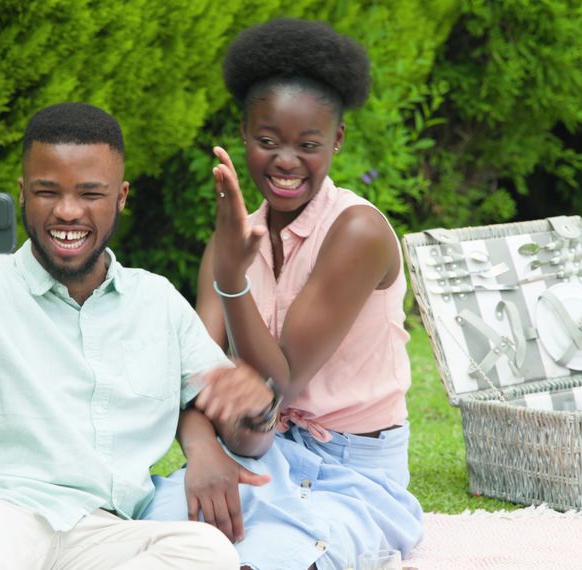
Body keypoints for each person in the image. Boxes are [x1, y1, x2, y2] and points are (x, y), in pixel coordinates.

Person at [0, 102, 275, 569]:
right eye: (47, 191)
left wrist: (255, 408)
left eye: (90, 194)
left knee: (207, 553)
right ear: (22, 194)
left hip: (103, 533)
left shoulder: (157, 302)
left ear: (121, 197)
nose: (67, 212)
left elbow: (247, 436)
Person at [142, 18, 424, 569]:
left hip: (354, 470)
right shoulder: (231, 240)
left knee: (276, 557)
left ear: (337, 140)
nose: (286, 161)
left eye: (308, 144)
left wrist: (231, 279)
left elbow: (282, 378)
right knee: (154, 538)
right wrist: (203, 455)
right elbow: (191, 376)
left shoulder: (356, 233)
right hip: (258, 447)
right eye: (268, 141)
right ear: (244, 135)